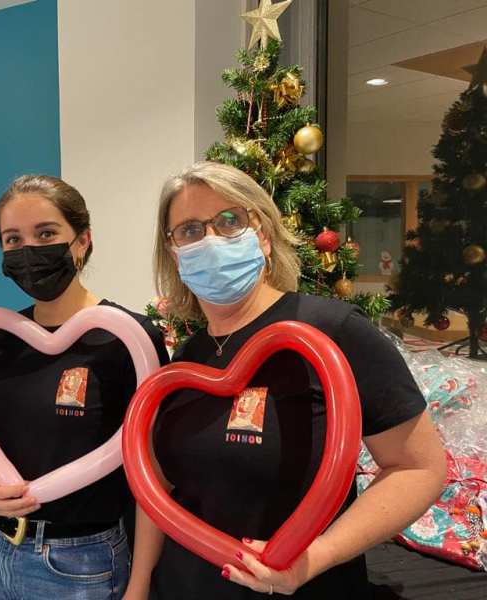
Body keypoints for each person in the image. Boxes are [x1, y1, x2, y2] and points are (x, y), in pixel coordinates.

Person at [125, 162, 447, 599]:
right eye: (189, 230)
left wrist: (316, 555)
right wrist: (138, 587)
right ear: (174, 254)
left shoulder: (334, 331)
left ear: (263, 233)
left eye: (229, 221)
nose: (211, 239)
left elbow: (417, 468)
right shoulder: (185, 359)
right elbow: (161, 488)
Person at [0, 175, 169, 599]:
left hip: (81, 562)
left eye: (46, 233)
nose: (29, 250)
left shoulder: (127, 339)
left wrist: (140, 583)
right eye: (13, 239)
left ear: (83, 240)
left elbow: (153, 473)